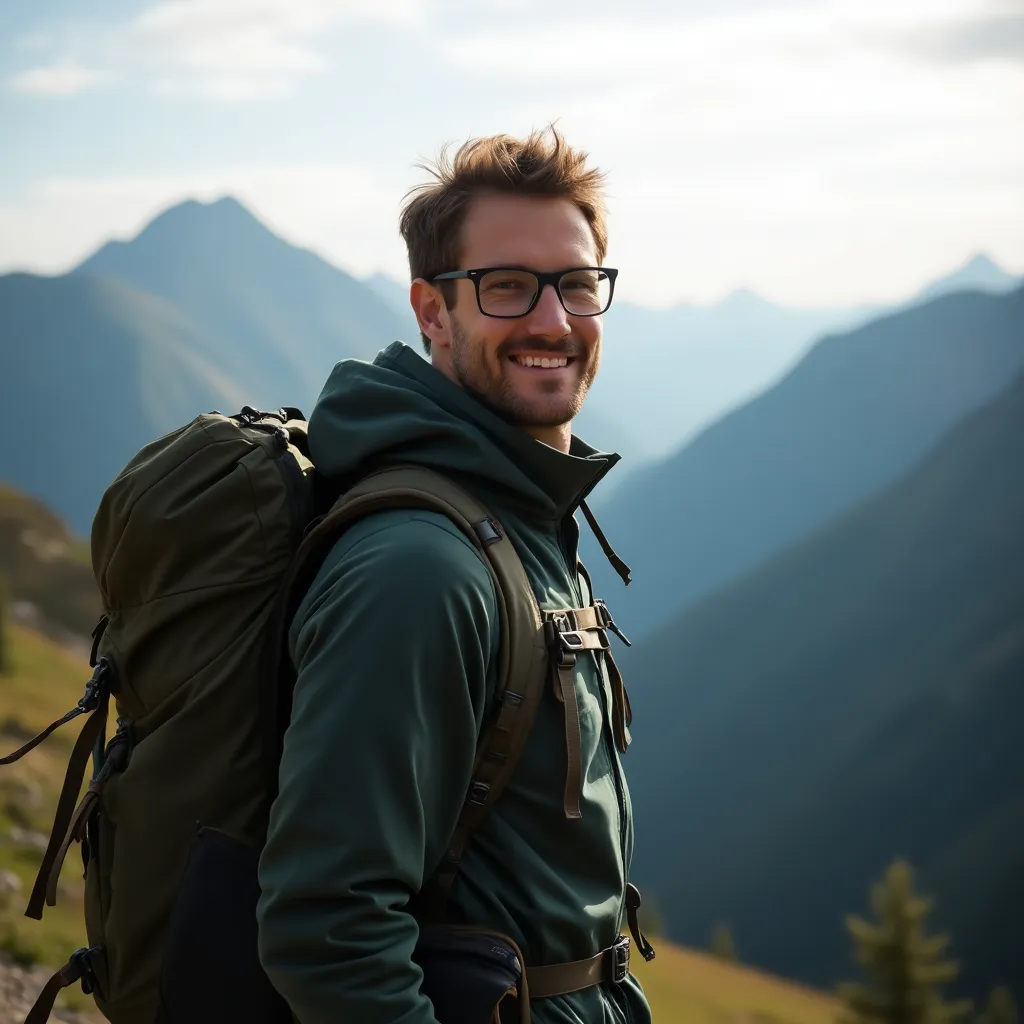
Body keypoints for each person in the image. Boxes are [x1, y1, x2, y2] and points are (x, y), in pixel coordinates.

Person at [256, 126, 652, 1024]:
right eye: (507, 287)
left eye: (578, 284)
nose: (554, 321)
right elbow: (329, 926)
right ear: (434, 312)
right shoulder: (422, 569)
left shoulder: (518, 512)